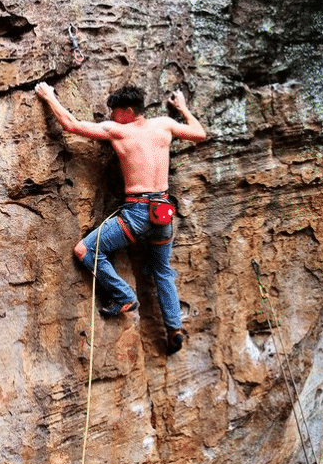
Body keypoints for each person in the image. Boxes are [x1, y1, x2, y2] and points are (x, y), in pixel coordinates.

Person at [34, 82, 206, 354]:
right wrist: (183, 108)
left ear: (127, 112)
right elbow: (199, 133)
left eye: (113, 111)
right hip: (163, 213)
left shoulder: (118, 131)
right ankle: (173, 328)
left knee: (85, 250)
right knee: (162, 271)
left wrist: (49, 97)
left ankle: (124, 296)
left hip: (137, 214)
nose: (110, 116)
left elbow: (70, 124)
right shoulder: (164, 125)